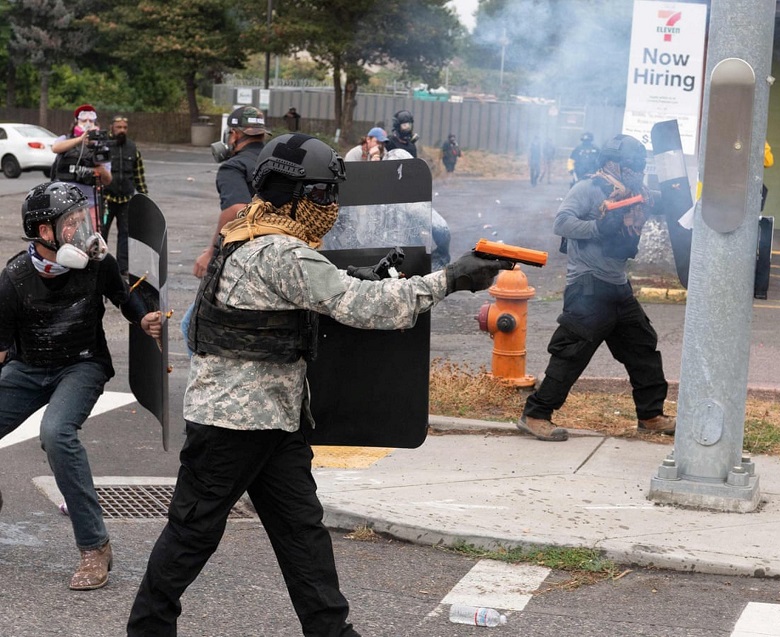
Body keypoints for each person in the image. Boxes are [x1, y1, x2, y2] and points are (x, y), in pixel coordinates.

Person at [126, 133, 509, 636]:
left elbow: (307, 290)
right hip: (233, 424)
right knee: (192, 533)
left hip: (273, 418)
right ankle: (147, 629)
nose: (329, 207)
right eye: (324, 195)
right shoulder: (285, 253)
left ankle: (331, 630)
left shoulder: (244, 231)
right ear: (297, 194)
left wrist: (356, 276)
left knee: (302, 533)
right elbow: (366, 308)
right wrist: (452, 278)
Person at [0, 181, 161, 590]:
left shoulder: (98, 263)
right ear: (44, 233)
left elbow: (124, 298)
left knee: (57, 434)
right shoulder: (14, 278)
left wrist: (142, 319)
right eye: (70, 222)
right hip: (29, 367)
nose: (82, 229)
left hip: (82, 366)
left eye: (81, 218)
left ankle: (95, 548)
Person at [517, 134, 675, 442]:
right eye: (631, 166)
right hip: (587, 287)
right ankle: (535, 414)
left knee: (643, 348)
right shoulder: (588, 189)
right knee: (571, 354)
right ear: (612, 163)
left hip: (617, 287)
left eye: (639, 166)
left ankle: (651, 416)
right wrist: (596, 227)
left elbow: (664, 202)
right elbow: (561, 223)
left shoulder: (637, 193)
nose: (636, 172)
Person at [182, 106, 269, 352]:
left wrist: (210, 253)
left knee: (192, 326)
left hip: (244, 259)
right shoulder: (275, 162)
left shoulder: (234, 167)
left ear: (233, 134)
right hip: (280, 253)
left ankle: (204, 388)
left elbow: (236, 211)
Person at [51, 104, 113, 229]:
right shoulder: (65, 139)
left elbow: (108, 180)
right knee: (66, 237)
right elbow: (55, 148)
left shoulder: (101, 148)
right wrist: (80, 139)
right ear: (76, 122)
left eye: (91, 121)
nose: (87, 123)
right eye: (84, 120)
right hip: (66, 201)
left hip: (90, 204)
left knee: (90, 240)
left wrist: (100, 169)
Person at [102, 115, 149, 277]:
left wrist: (144, 197)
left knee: (125, 233)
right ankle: (101, 265)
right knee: (101, 233)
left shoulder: (132, 148)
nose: (122, 130)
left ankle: (123, 268)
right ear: (112, 128)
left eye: (124, 127)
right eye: (118, 127)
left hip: (126, 199)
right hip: (106, 199)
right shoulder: (104, 146)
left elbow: (139, 175)